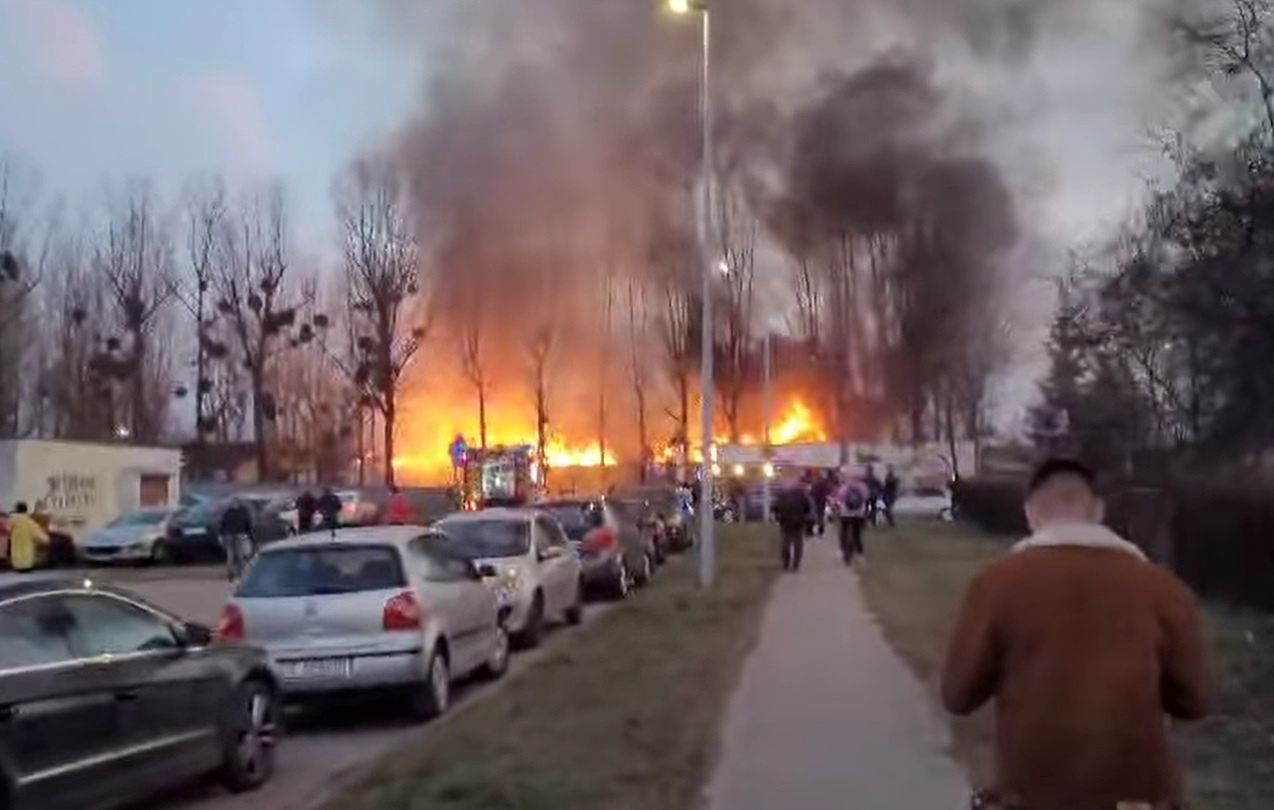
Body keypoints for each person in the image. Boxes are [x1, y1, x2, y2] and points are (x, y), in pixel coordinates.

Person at [941, 459, 1210, 810]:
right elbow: (1194, 700)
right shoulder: (1162, 588)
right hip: (1136, 797)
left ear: (1030, 515)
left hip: (1032, 794)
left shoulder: (996, 583)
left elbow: (958, 695)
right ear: (1098, 512)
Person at [771, 478, 813, 572]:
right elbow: (807, 507)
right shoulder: (802, 495)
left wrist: (778, 516)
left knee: (785, 543)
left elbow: (775, 507)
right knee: (797, 543)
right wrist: (804, 516)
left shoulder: (782, 495)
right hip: (798, 521)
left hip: (785, 521)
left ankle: (786, 563)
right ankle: (795, 564)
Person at [833, 474, 869, 565]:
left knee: (843, 533)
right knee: (856, 535)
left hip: (845, 513)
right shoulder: (863, 487)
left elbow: (839, 498)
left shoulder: (845, 486)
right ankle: (859, 553)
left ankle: (843, 550)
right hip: (859, 514)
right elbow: (866, 498)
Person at [217, 498, 254, 580]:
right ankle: (241, 573)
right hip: (240, 535)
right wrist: (248, 534)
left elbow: (222, 524)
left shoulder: (227, 513)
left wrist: (220, 535)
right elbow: (248, 524)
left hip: (228, 535)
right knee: (240, 555)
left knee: (230, 555)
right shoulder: (243, 512)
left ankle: (230, 573)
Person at [6, 502, 48, 572]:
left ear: (16, 510)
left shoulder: (11, 522)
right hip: (27, 562)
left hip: (15, 562)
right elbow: (44, 538)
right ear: (26, 510)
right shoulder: (30, 522)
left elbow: (7, 531)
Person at [809, 471, 832, 537]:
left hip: (815, 501)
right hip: (822, 501)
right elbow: (827, 492)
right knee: (820, 516)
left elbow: (811, 493)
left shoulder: (815, 484)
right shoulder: (824, 484)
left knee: (813, 515)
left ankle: (810, 531)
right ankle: (821, 531)